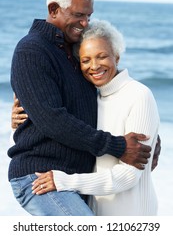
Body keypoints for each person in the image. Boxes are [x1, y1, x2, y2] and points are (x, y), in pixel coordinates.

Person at [9, 0, 152, 216]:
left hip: (74, 180)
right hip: (41, 178)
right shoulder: (32, 51)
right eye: (78, 15)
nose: (85, 23)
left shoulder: (74, 51)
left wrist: (150, 136)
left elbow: (109, 96)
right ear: (54, 9)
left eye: (88, 15)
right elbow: (53, 120)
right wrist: (118, 146)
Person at [31, 19, 160, 215]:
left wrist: (65, 181)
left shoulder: (139, 95)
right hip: (93, 214)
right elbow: (58, 126)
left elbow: (128, 175)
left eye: (102, 57)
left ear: (116, 56)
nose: (95, 66)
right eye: (86, 60)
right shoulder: (90, 97)